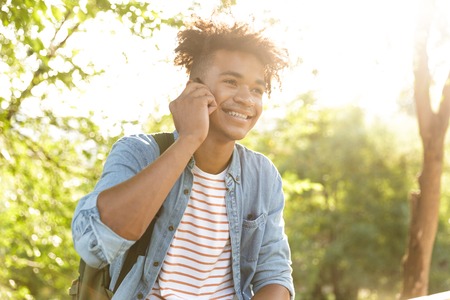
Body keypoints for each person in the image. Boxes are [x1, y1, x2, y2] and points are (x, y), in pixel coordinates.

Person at [72, 16, 294, 300]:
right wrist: (189, 140)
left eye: (257, 90)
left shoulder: (262, 175)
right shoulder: (139, 152)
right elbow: (94, 244)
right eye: (231, 81)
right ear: (195, 88)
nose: (246, 99)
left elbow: (274, 273)